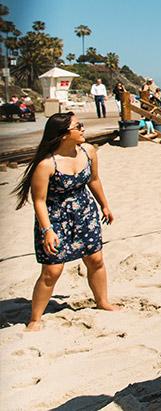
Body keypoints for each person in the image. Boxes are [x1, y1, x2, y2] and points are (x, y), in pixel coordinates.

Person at [10, 113, 116, 331]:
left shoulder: (89, 151)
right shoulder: (46, 164)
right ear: (64, 135)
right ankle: (35, 318)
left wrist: (104, 205)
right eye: (79, 126)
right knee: (52, 271)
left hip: (85, 212)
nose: (83, 129)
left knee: (95, 259)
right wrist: (47, 230)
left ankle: (102, 302)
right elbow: (39, 201)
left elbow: (94, 180)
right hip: (56, 218)